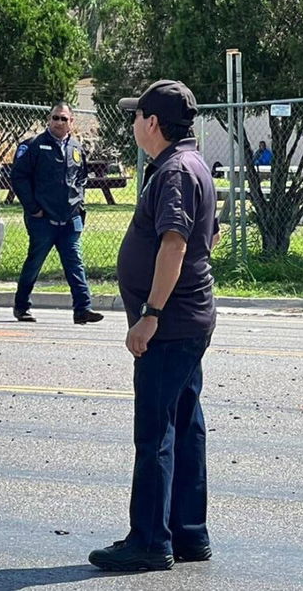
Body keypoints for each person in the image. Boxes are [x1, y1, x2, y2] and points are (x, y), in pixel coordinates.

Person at [89, 80, 218, 572]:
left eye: (137, 116)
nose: (134, 124)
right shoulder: (190, 163)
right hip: (189, 317)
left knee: (156, 433)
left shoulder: (174, 172)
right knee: (185, 427)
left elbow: (174, 244)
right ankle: (188, 534)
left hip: (171, 324)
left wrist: (151, 315)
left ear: (154, 123)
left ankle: (149, 540)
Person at [9, 102, 104, 325]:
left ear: (71, 122)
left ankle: (83, 308)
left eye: (63, 118)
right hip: (42, 219)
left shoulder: (76, 147)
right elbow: (19, 177)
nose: (58, 122)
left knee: (74, 262)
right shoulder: (33, 146)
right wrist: (33, 208)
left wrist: (78, 204)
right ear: (48, 120)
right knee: (34, 262)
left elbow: (81, 178)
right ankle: (22, 306)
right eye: (54, 118)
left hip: (70, 218)